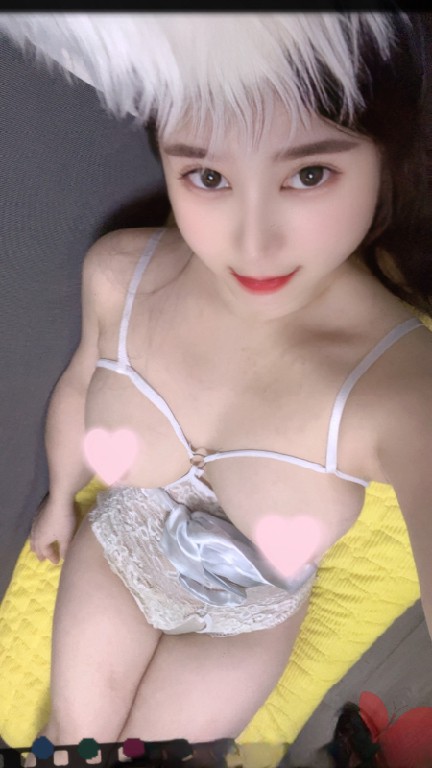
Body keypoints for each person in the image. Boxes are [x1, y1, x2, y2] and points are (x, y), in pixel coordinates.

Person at [16, 10, 432, 759]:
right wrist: (57, 499)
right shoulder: (120, 273)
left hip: (244, 626)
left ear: (384, 159)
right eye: (207, 176)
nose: (253, 241)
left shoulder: (403, 386)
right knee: (72, 746)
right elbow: (81, 384)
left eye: (310, 174)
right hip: (117, 559)